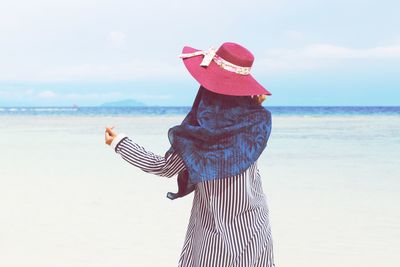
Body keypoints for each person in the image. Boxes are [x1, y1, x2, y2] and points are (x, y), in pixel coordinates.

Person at [105, 42, 276, 267]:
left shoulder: (199, 135)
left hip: (215, 236)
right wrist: (251, 100)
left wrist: (119, 142)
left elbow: (163, 167)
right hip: (254, 229)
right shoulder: (257, 121)